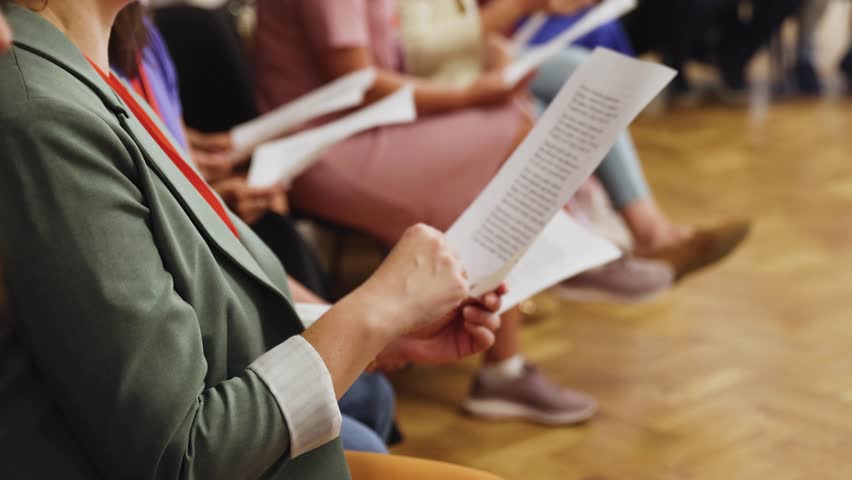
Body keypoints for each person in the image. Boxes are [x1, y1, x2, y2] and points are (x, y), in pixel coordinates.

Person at [0, 2, 509, 478]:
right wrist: (376, 310)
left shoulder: (86, 76)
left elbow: (194, 308)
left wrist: (383, 329)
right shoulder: (44, 115)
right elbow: (185, 454)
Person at [255, 0, 599, 426]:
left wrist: (486, 67)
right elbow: (356, 82)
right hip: (323, 146)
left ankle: (523, 321)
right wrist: (469, 93)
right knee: (510, 134)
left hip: (371, 122)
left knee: (509, 122)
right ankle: (521, 330)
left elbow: (402, 52)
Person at [109, 5, 399, 454]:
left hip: (214, 256)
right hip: (198, 299)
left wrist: (206, 168)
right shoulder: (84, 79)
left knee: (368, 392)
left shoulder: (144, 38)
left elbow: (172, 144)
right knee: (363, 411)